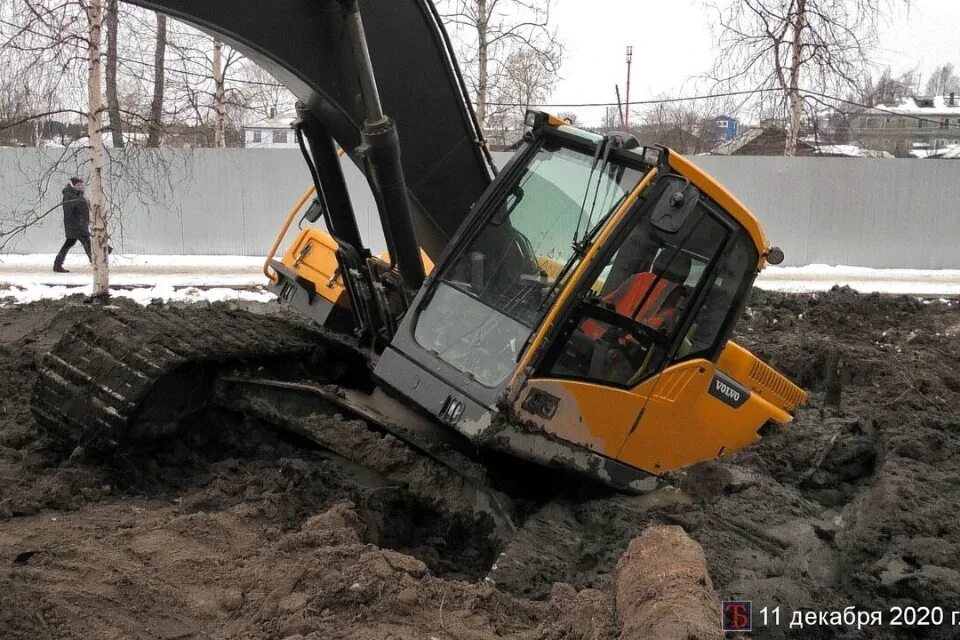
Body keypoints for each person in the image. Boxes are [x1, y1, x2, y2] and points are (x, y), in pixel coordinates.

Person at [53, 177, 92, 273]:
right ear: (73, 186)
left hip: (78, 225)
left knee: (70, 243)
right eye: (78, 185)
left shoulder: (77, 196)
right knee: (87, 243)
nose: (81, 187)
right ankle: (97, 264)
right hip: (75, 226)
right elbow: (74, 209)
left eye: (81, 185)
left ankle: (57, 264)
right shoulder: (69, 196)